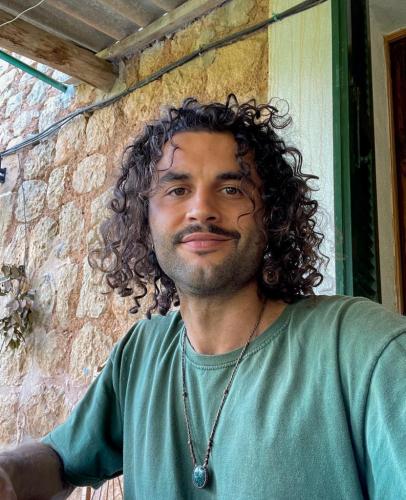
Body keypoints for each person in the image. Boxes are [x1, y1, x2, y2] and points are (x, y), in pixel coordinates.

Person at [0, 94, 405, 499]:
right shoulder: (139, 354)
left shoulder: (365, 350)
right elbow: (60, 459)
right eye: (178, 190)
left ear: (271, 215)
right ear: (144, 220)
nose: (201, 210)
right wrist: (8, 475)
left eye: (231, 189)